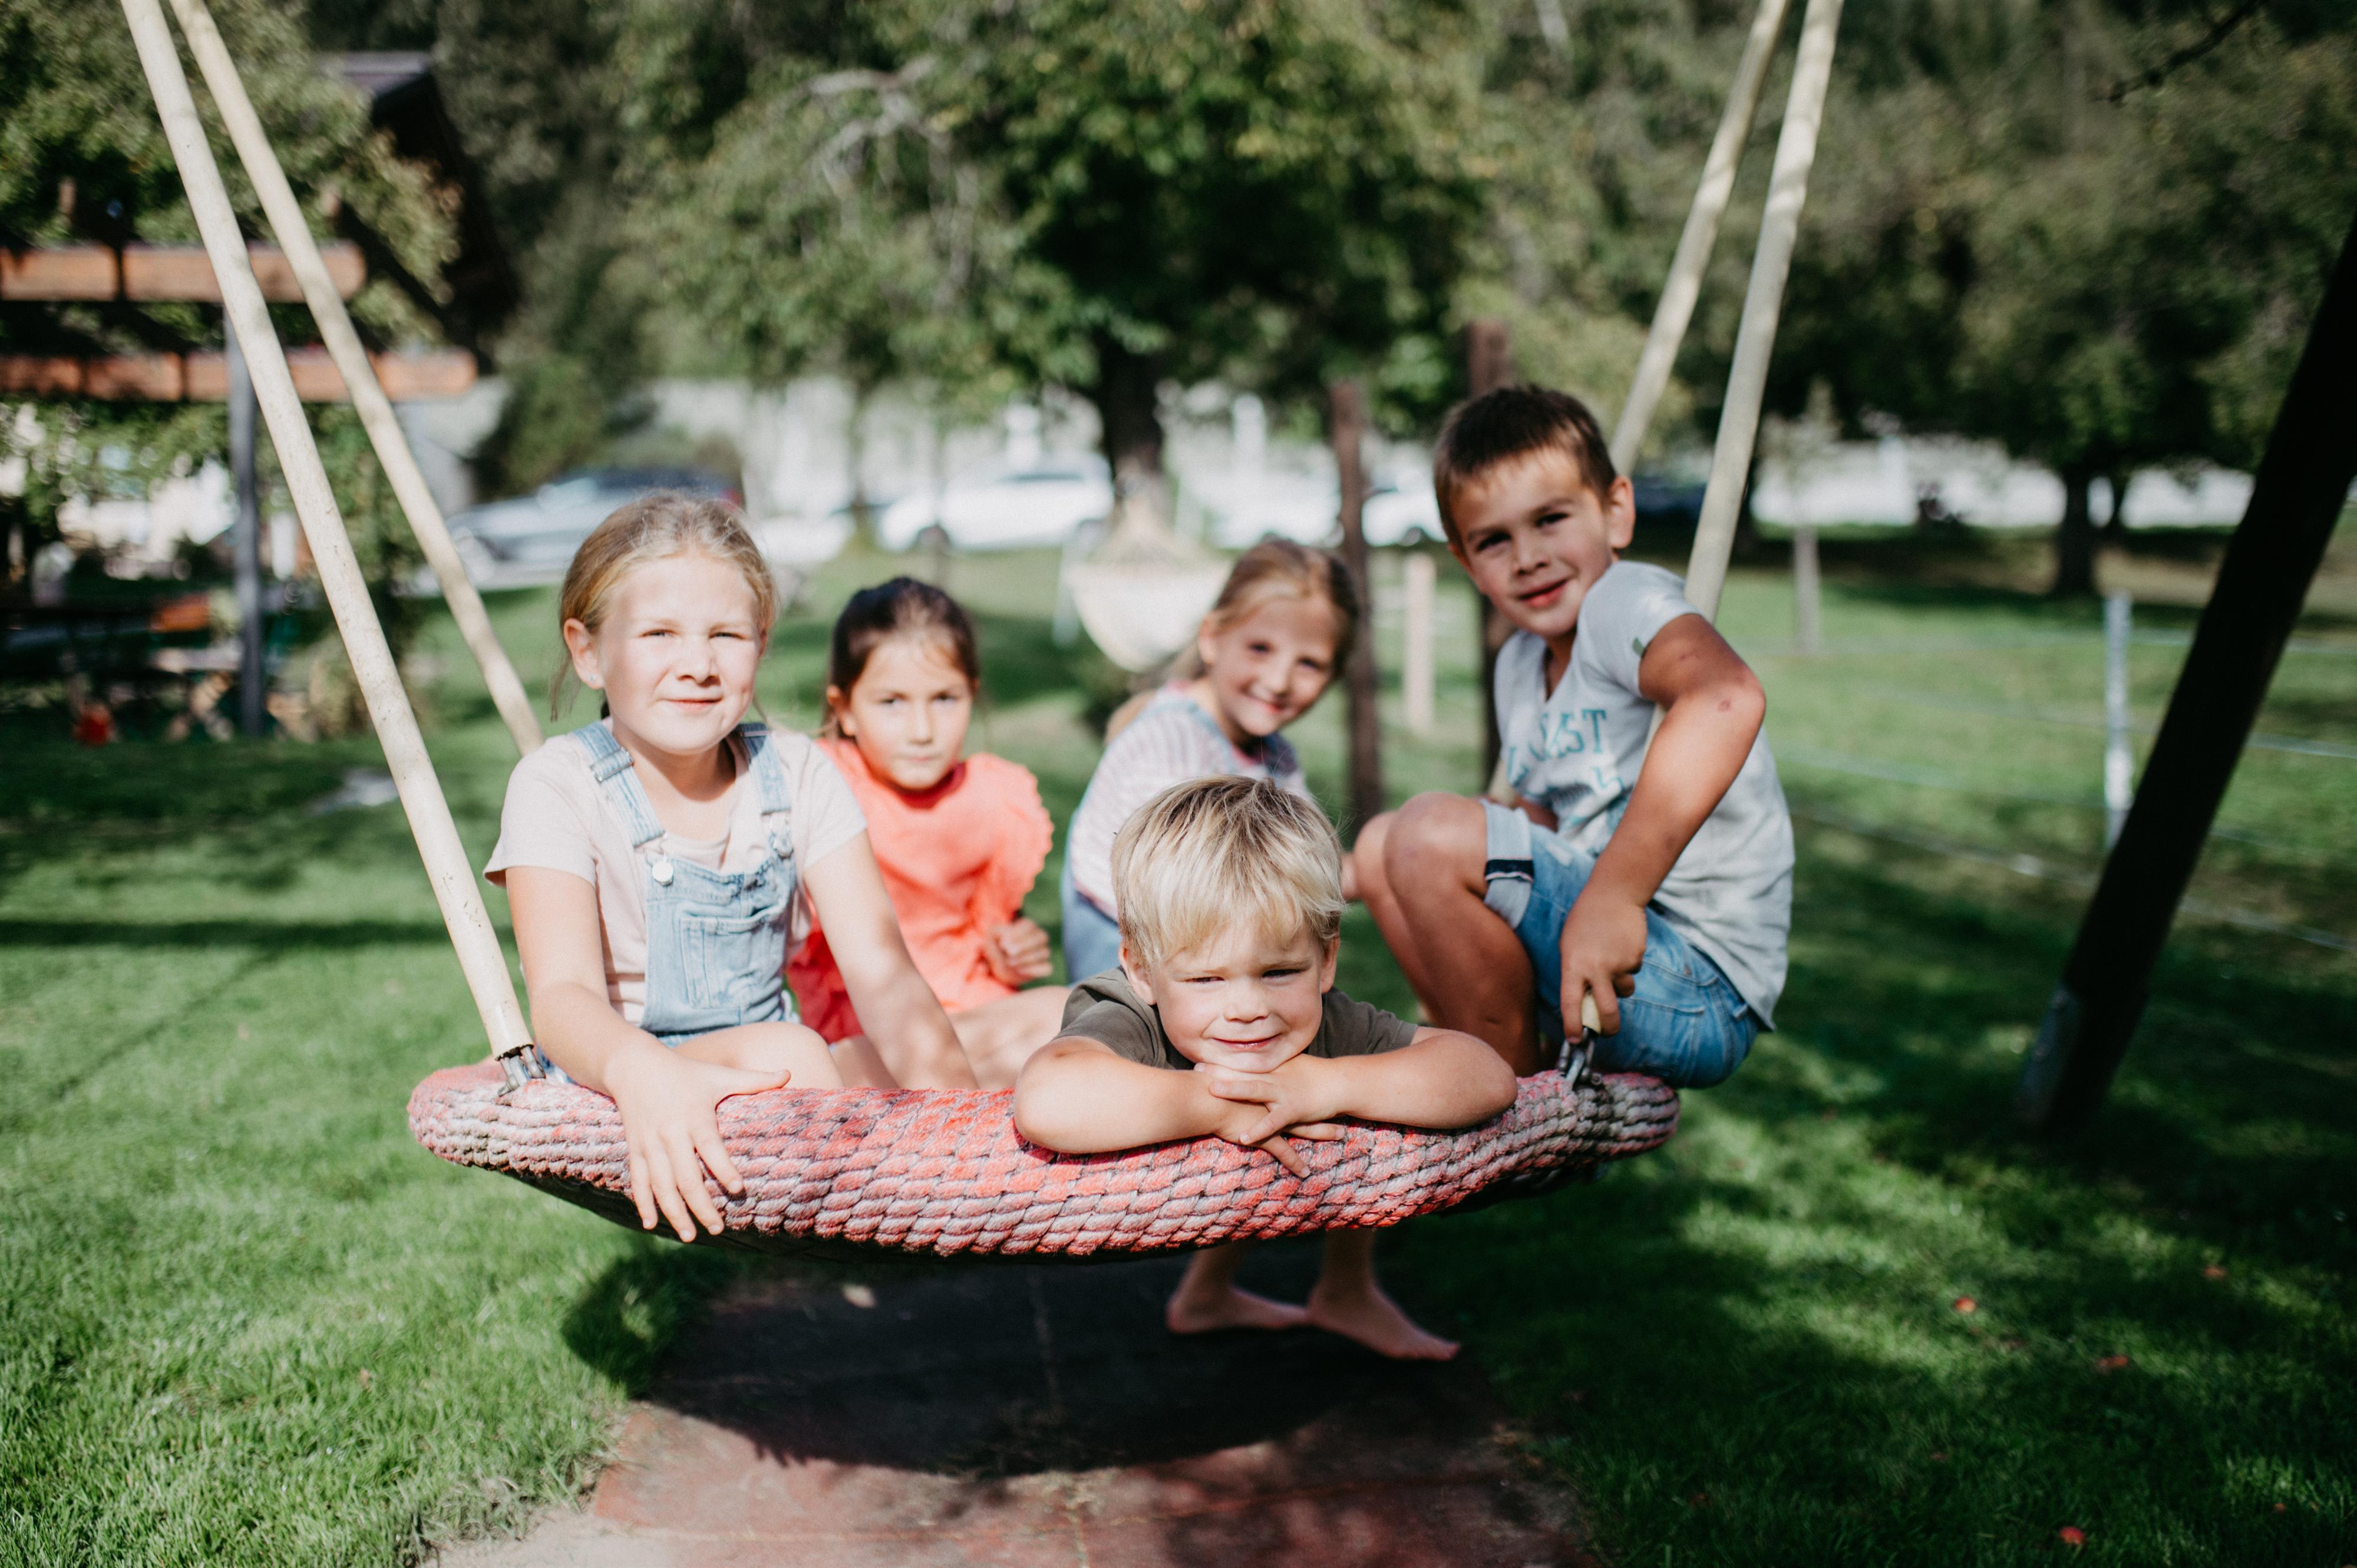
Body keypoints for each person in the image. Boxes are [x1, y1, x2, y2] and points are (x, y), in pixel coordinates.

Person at [487, 495, 975, 1245]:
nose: (698, 666)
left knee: (1019, 1027)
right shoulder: (557, 784)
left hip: (770, 1063)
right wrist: (642, 1072)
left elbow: (885, 978)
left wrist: (966, 1133)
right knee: (793, 1052)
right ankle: (881, 1194)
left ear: (761, 643)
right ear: (588, 652)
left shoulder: (796, 772)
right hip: (616, 1071)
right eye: (658, 634)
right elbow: (561, 998)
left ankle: (961, 1173)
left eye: (726, 635)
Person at [1356, 385, 1792, 1085]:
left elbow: (1725, 698)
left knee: (1424, 834)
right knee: (1384, 844)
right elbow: (1545, 827)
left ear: (1615, 512)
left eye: (1550, 519)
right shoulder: (1519, 665)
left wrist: (1615, 898)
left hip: (1695, 981)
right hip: (1589, 964)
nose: (1526, 557)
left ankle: (1503, 1104)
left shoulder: (1621, 604)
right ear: (1467, 563)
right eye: (1493, 541)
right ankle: (1497, 1075)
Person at [1016, 777, 1516, 1361]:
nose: (1248, 1007)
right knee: (1273, 1133)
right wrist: (1221, 1104)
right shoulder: (1132, 1014)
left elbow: (1487, 1075)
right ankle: (1210, 1294)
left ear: (1326, 960)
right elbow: (1046, 1100)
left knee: (1365, 1111)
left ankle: (1311, 1290)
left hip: (1255, 1191)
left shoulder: (1321, 1020)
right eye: (1206, 979)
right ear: (1143, 972)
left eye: (1278, 972)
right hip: (1033, 1093)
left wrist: (1327, 1085)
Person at [786, 577, 1067, 1088]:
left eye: (944, 698)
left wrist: (1008, 951)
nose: (921, 730)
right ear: (845, 709)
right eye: (892, 702)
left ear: (972, 694)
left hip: (977, 1018)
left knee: (1073, 1009)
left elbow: (988, 925)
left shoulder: (993, 796)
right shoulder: (823, 783)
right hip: (871, 1038)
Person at [1061, 539, 1358, 982]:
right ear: (1212, 638)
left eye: (1309, 664)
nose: (1279, 680)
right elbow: (1187, 906)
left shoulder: (1275, 755)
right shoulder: (1169, 746)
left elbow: (1311, 868)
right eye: (1260, 648)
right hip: (1137, 984)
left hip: (1220, 975)